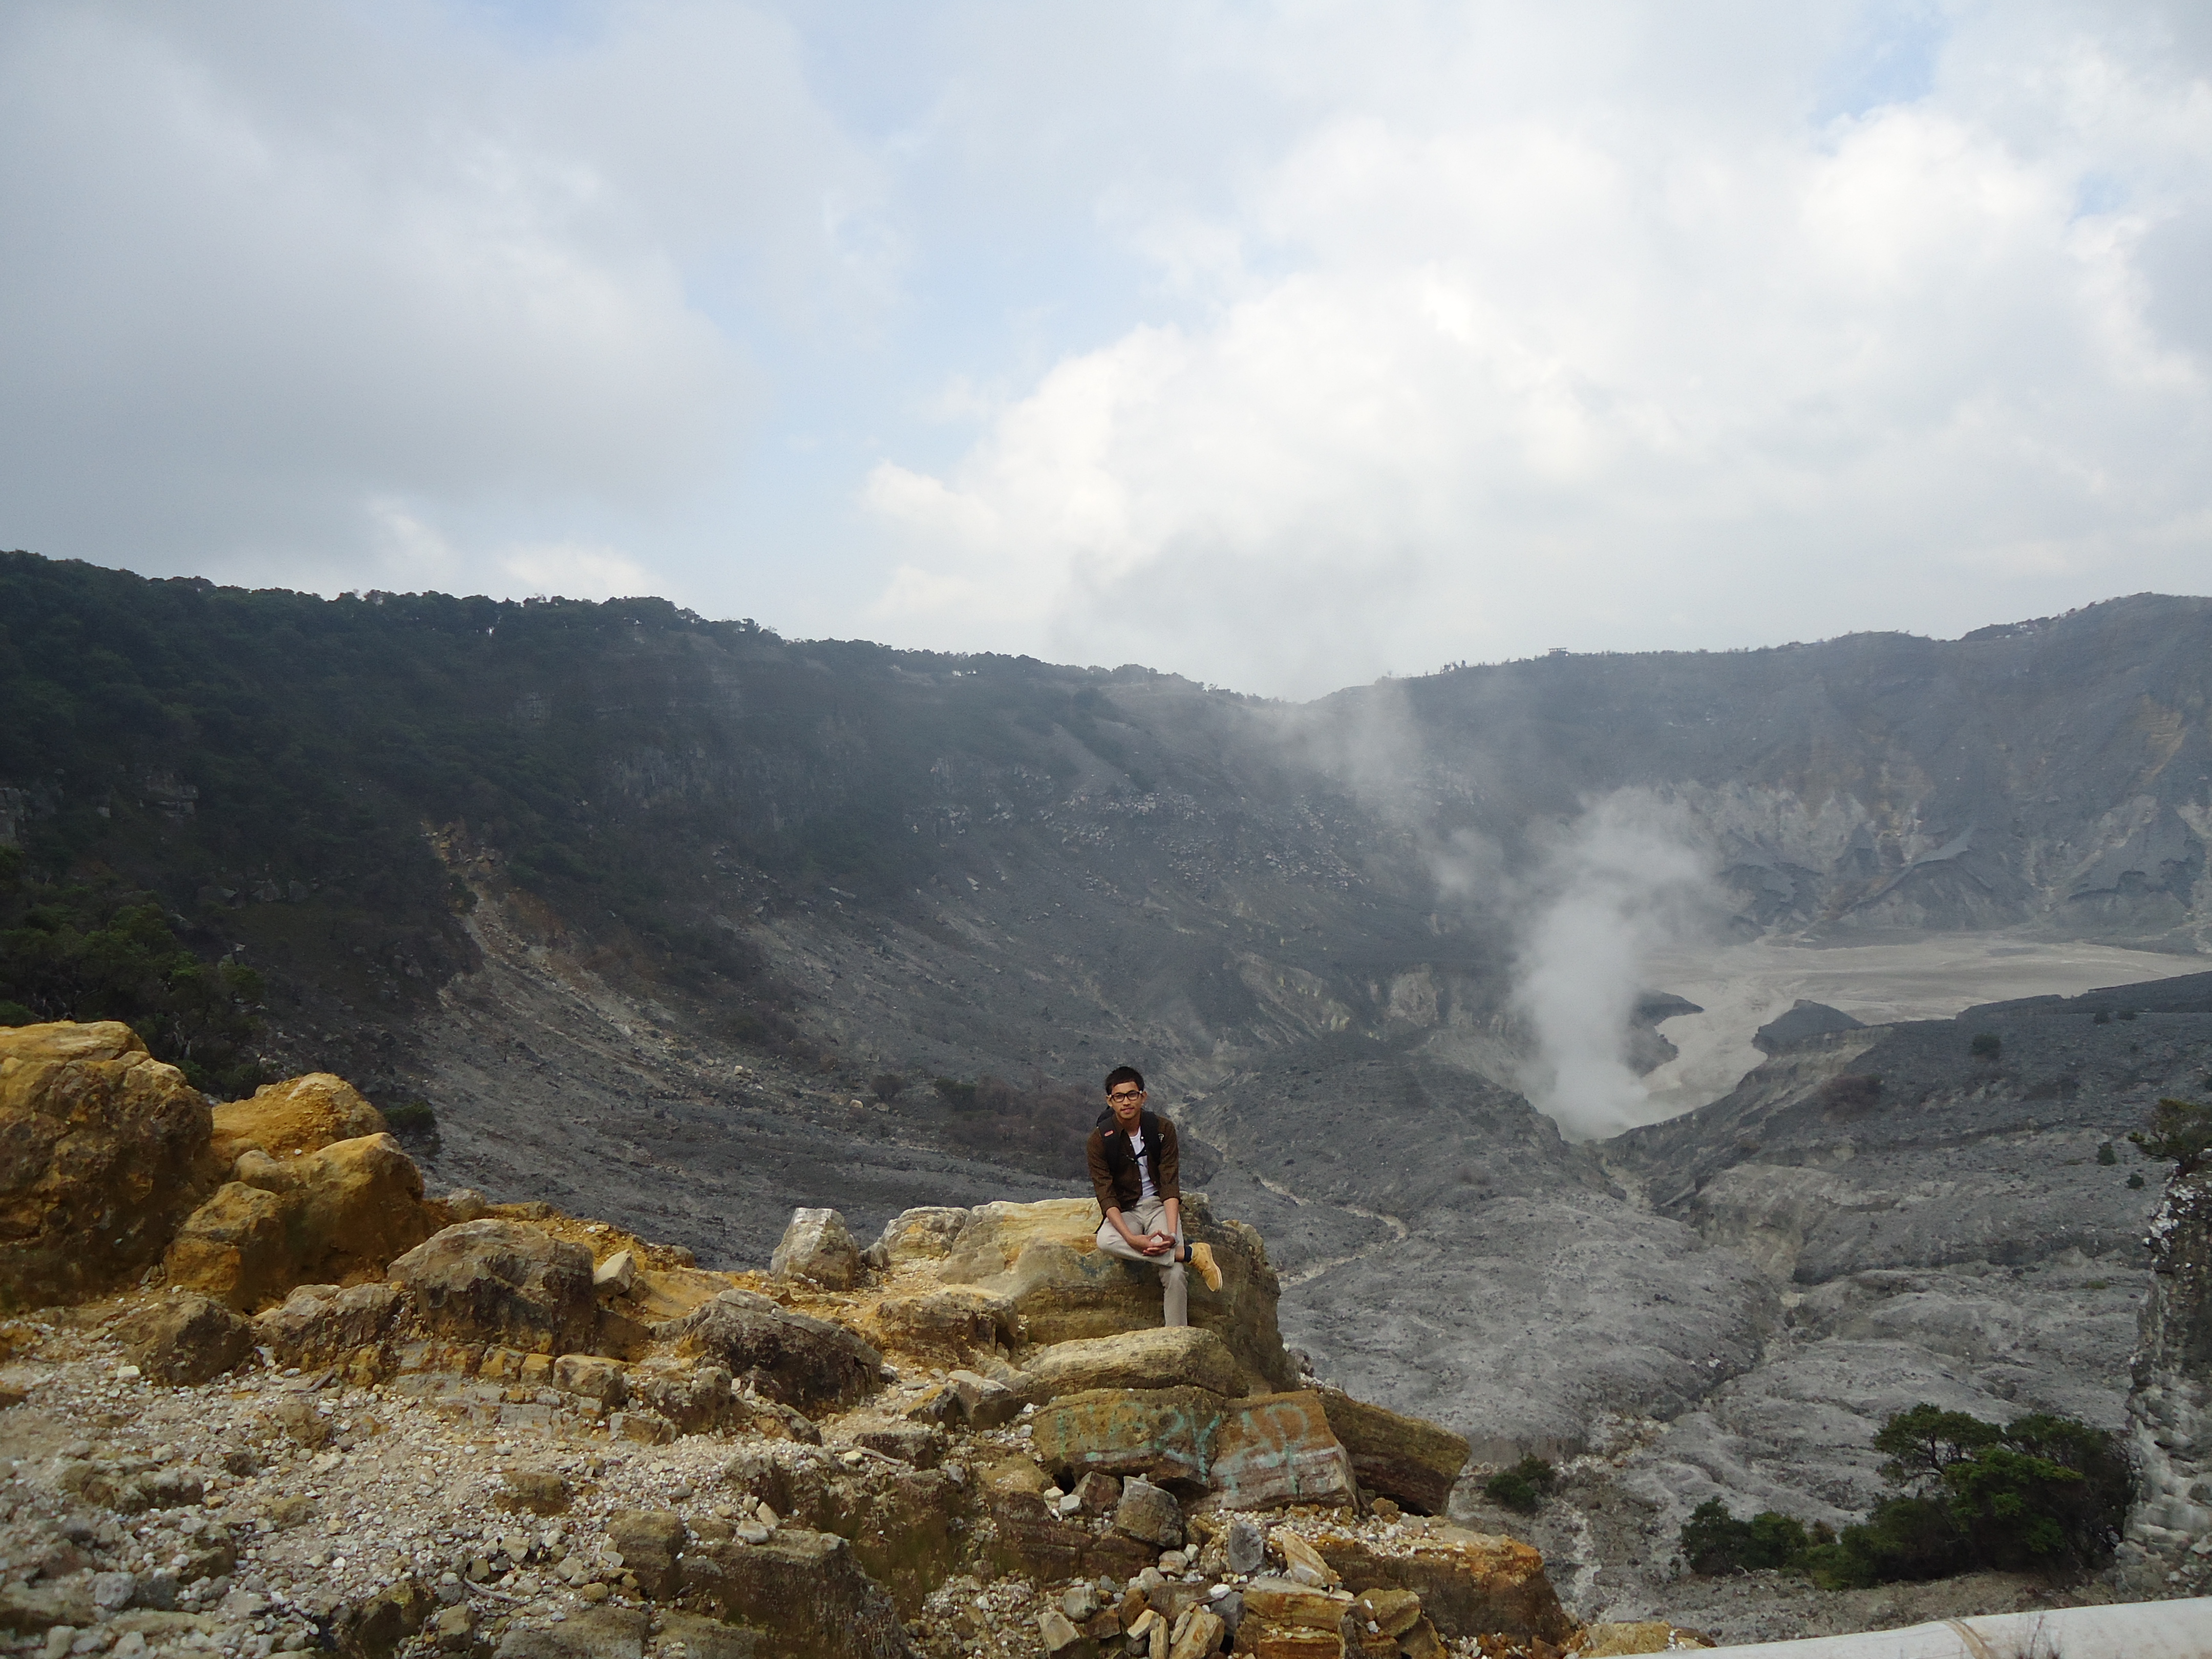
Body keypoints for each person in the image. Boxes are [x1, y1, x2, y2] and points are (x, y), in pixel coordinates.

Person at [1086, 1065, 1222, 1325]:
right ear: (1110, 1101)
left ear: (1143, 1097)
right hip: (1128, 1209)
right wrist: (1132, 1239)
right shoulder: (1100, 1141)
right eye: (1119, 1096)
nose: (1126, 1102)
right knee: (1106, 1240)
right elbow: (1105, 1194)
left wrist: (1171, 1234)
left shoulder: (1162, 1130)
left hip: (1159, 1206)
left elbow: (1170, 1184)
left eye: (1132, 1094)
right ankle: (1192, 1254)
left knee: (1175, 1274)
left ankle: (1177, 1339)